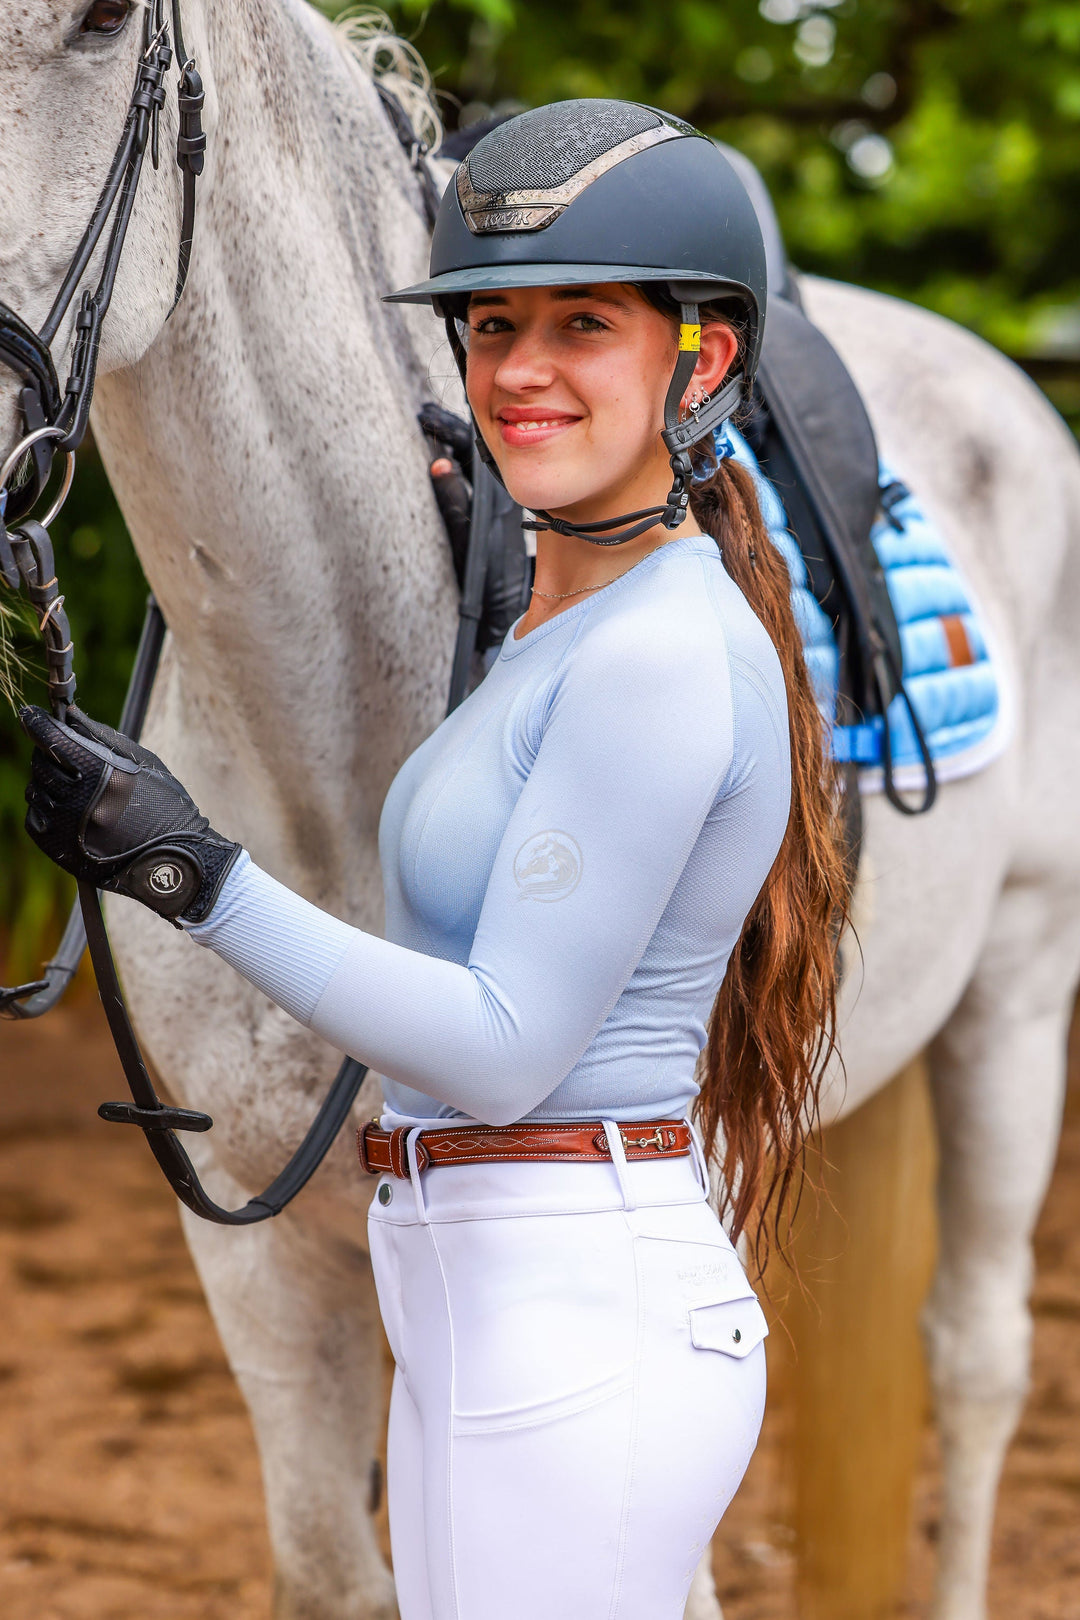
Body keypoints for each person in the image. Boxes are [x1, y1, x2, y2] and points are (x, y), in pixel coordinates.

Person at [21, 100, 846, 1620]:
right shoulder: (566, 620)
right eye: (489, 325)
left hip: (573, 1312)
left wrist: (192, 873)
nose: (519, 370)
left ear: (703, 358)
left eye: (581, 326)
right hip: (481, 1296)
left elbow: (506, 1048)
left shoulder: (659, 656)